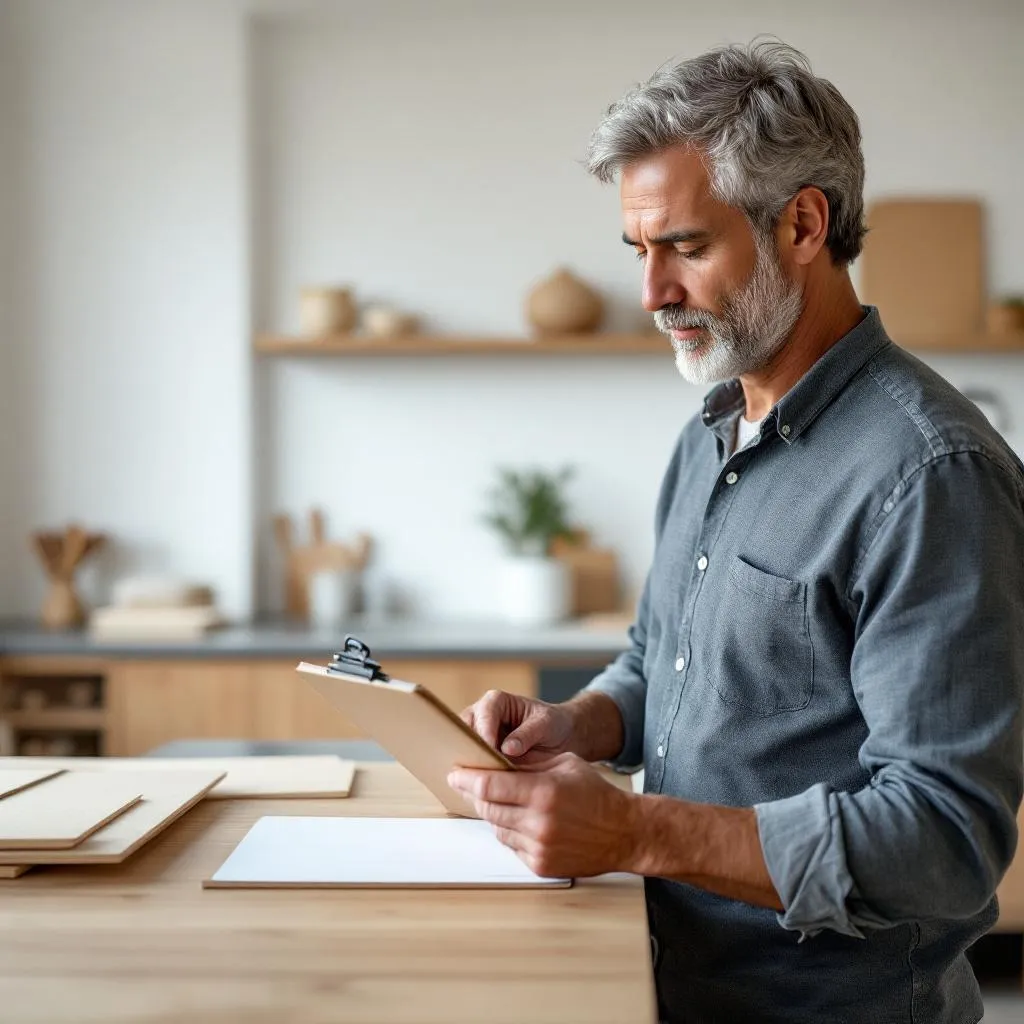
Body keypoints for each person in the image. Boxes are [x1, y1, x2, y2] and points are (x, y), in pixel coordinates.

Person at [448, 40, 1024, 1024]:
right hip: (670, 984)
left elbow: (942, 839)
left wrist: (634, 830)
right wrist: (577, 724)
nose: (652, 293)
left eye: (685, 246)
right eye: (638, 251)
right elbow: (660, 662)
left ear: (803, 223)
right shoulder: (711, 432)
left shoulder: (933, 475)